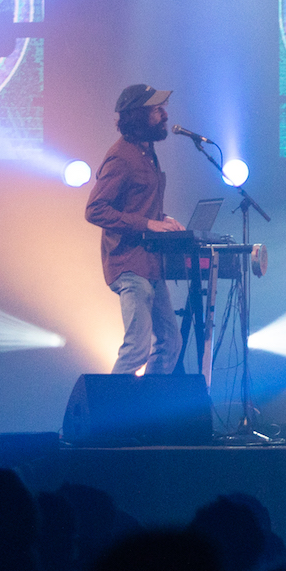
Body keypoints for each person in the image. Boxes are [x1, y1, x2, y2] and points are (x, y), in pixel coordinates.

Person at [84, 84, 186, 375]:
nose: (164, 114)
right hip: (129, 264)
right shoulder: (121, 157)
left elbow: (137, 203)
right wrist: (148, 223)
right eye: (156, 110)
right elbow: (95, 209)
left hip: (151, 262)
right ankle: (109, 417)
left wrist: (162, 219)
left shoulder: (147, 151)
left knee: (170, 342)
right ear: (139, 116)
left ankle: (146, 410)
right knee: (137, 347)